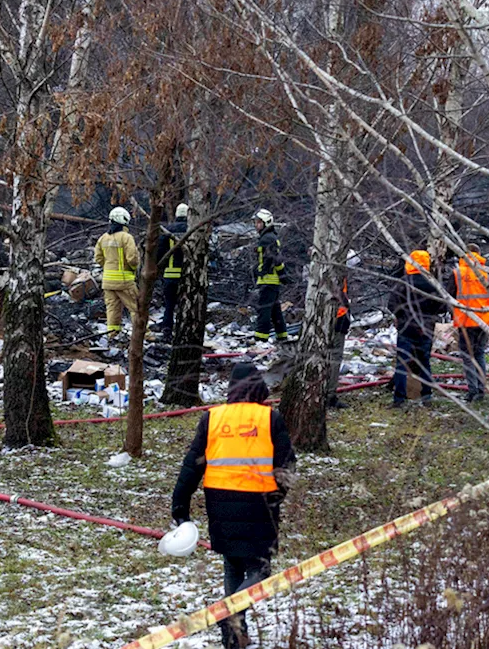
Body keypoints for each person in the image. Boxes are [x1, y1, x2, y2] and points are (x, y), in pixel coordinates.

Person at [171, 361, 296, 649]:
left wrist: (180, 506)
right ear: (258, 387)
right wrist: (277, 497)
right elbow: (287, 466)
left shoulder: (212, 418)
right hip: (260, 503)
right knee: (260, 569)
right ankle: (231, 617)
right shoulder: (270, 418)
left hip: (219, 502)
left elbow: (191, 466)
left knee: (232, 564)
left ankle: (234, 636)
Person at [387, 249, 444, 408]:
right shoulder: (433, 284)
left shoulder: (403, 283)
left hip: (406, 328)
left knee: (401, 364)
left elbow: (391, 305)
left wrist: (402, 316)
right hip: (426, 329)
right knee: (424, 361)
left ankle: (399, 399)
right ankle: (427, 395)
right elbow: (443, 306)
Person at [451, 245, 489, 403]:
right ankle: (481, 389)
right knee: (479, 354)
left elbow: (448, 295)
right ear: (480, 254)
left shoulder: (457, 273)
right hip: (484, 320)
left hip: (465, 321)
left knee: (467, 356)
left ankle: (472, 390)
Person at [95, 206, 139, 336]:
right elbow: (132, 259)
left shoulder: (103, 238)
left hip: (107, 282)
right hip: (124, 281)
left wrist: (108, 268)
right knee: (136, 308)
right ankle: (143, 334)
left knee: (112, 309)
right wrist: (134, 269)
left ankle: (112, 335)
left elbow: (98, 258)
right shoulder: (126, 237)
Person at [326, 250, 361, 409]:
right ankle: (329, 395)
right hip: (338, 319)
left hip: (330, 319)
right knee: (334, 358)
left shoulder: (326, 272)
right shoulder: (338, 277)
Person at [251, 208, 287, 343]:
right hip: (272, 281)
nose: (256, 225)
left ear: (266, 223)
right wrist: (283, 276)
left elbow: (271, 260)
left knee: (264, 310)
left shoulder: (266, 239)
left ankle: (260, 339)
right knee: (275, 311)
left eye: (259, 222)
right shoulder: (270, 238)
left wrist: (260, 271)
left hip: (268, 280)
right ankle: (282, 336)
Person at [156, 203, 189, 343]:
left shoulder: (167, 231)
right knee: (185, 307)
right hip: (187, 277)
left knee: (169, 305)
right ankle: (184, 333)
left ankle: (167, 330)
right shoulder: (193, 229)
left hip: (170, 275)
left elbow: (159, 254)